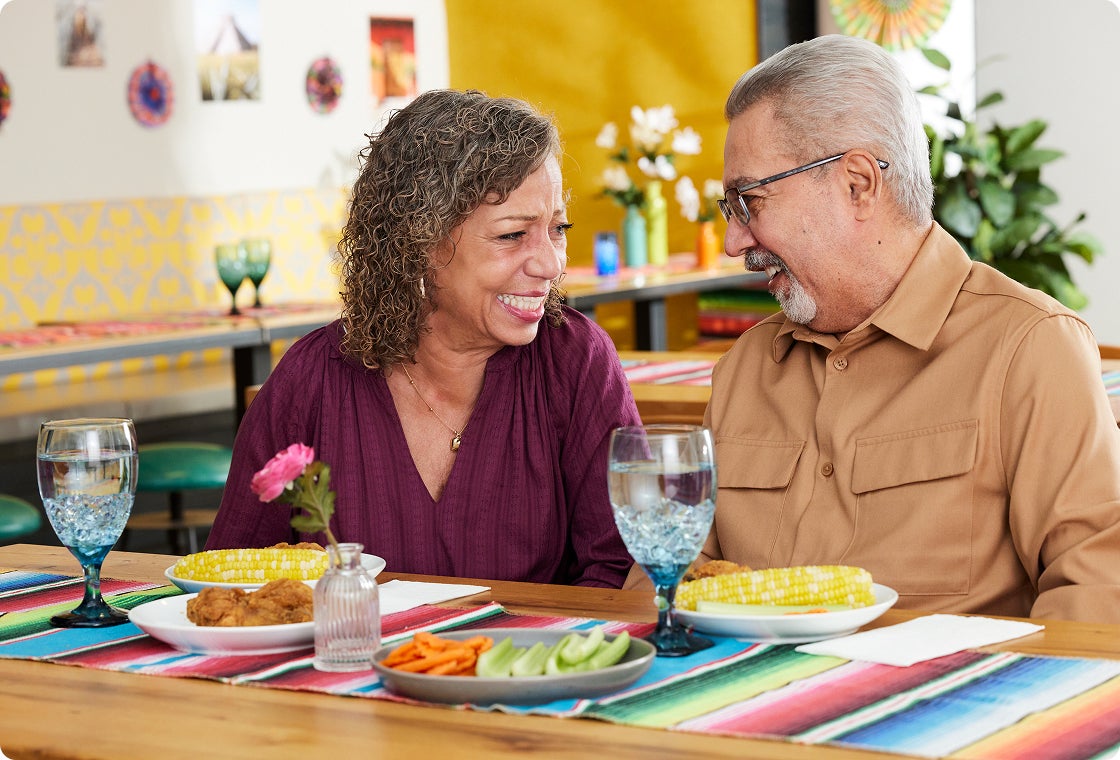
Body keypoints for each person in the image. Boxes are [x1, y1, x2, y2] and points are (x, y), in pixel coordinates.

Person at [695, 35, 1120, 621]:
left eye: (750, 201)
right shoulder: (743, 368)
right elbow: (672, 579)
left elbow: (1095, 596)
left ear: (858, 183)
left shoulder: (1029, 348)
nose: (733, 240)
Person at [207, 90, 640, 588]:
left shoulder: (575, 362)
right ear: (420, 241)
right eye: (512, 235)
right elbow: (232, 581)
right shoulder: (312, 381)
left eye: (557, 229)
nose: (551, 263)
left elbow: (622, 571)